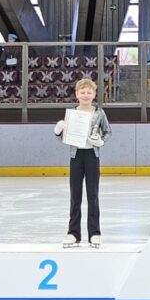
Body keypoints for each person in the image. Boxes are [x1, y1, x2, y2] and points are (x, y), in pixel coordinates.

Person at [55, 78, 112, 248]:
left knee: (93, 195)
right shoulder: (71, 114)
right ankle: (73, 233)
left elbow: (108, 131)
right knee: (75, 195)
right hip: (76, 156)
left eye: (89, 92)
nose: (86, 95)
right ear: (77, 94)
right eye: (82, 92)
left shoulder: (99, 113)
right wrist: (59, 130)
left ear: (94, 94)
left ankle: (94, 233)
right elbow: (63, 137)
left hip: (92, 156)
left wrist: (100, 141)